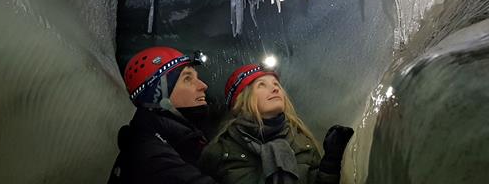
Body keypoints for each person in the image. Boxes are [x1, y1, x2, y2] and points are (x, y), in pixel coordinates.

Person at [199, 64, 354, 184]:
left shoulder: (302, 142)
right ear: (241, 101)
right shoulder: (219, 152)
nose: (274, 89)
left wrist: (330, 164)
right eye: (261, 85)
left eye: (276, 84)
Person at [108, 46, 218, 184]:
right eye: (187, 78)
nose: (203, 85)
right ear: (159, 93)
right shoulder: (148, 156)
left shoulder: (174, 140)